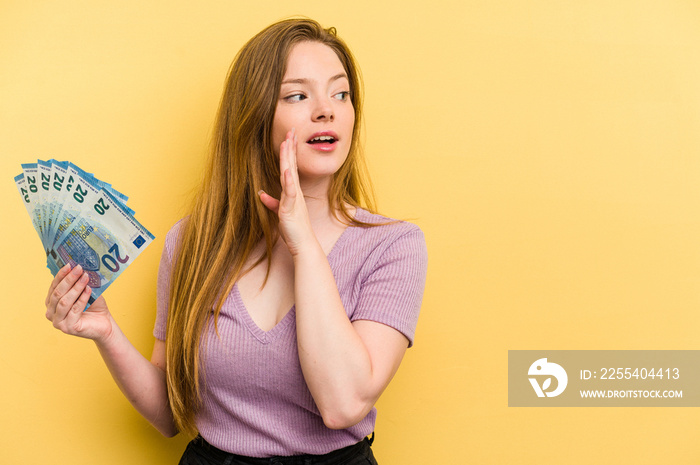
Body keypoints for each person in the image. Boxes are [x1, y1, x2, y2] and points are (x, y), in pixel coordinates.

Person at [44, 18, 428, 464]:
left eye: (340, 93)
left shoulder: (392, 247)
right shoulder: (192, 242)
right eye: (298, 95)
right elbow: (171, 414)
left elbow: (343, 404)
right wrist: (106, 333)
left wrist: (303, 243)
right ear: (256, 116)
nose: (327, 110)